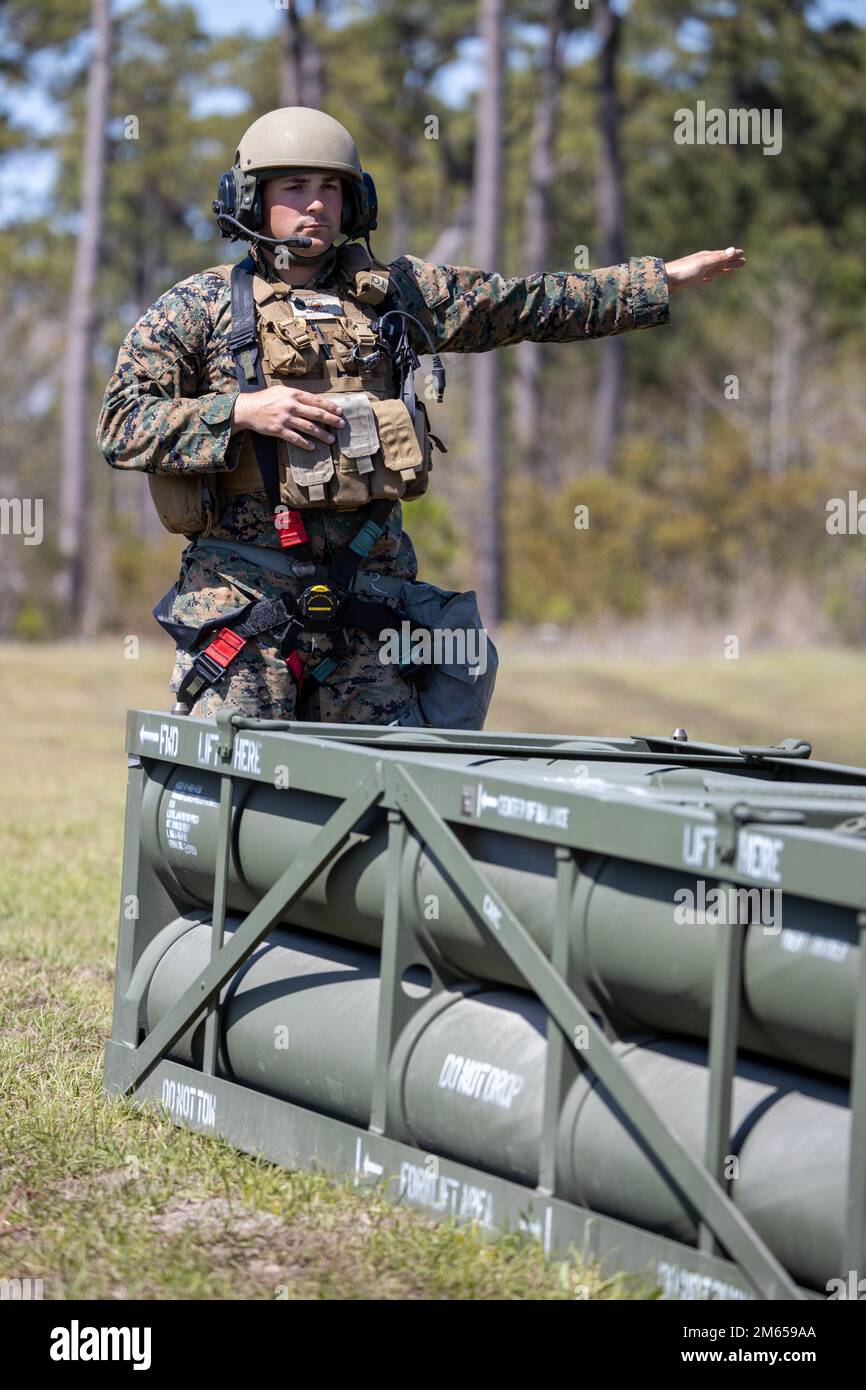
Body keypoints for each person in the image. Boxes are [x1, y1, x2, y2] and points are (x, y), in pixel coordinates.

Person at [97, 106, 744, 727]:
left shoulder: (397, 295)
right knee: (235, 801)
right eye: (295, 186)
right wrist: (241, 410)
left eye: (332, 188)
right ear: (250, 199)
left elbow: (525, 303)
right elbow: (121, 423)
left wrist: (656, 281)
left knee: (385, 806)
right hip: (243, 612)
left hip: (367, 607)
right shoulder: (199, 307)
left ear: (357, 202)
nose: (317, 202)